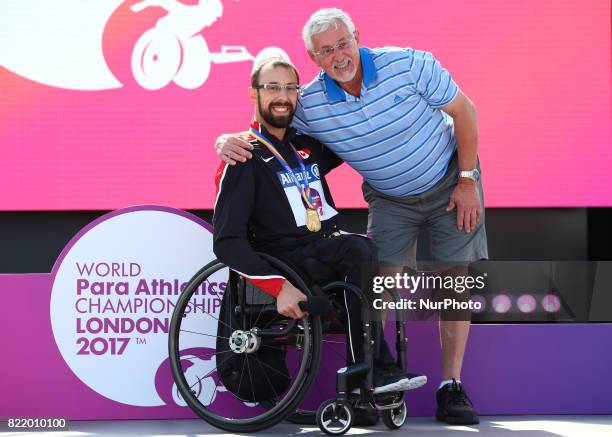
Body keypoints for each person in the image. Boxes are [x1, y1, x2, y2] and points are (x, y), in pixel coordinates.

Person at [215, 8, 486, 425]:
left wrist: (467, 178)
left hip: (448, 181)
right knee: (377, 270)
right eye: (325, 51)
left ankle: (427, 383)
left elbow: (463, 110)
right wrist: (226, 140)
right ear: (314, 59)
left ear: (357, 36)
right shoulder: (266, 140)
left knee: (423, 270)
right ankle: (375, 375)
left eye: (343, 43)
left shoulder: (405, 66)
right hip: (326, 235)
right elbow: (230, 233)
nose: (338, 55)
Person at [213, 56, 428, 395]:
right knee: (358, 249)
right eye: (272, 87)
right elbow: (227, 242)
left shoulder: (307, 147)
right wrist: (278, 286)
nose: (282, 96)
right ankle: (370, 372)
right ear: (253, 94)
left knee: (365, 253)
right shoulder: (243, 157)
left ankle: (374, 374)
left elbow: (356, 137)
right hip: (283, 258)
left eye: (290, 88)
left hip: (322, 249)